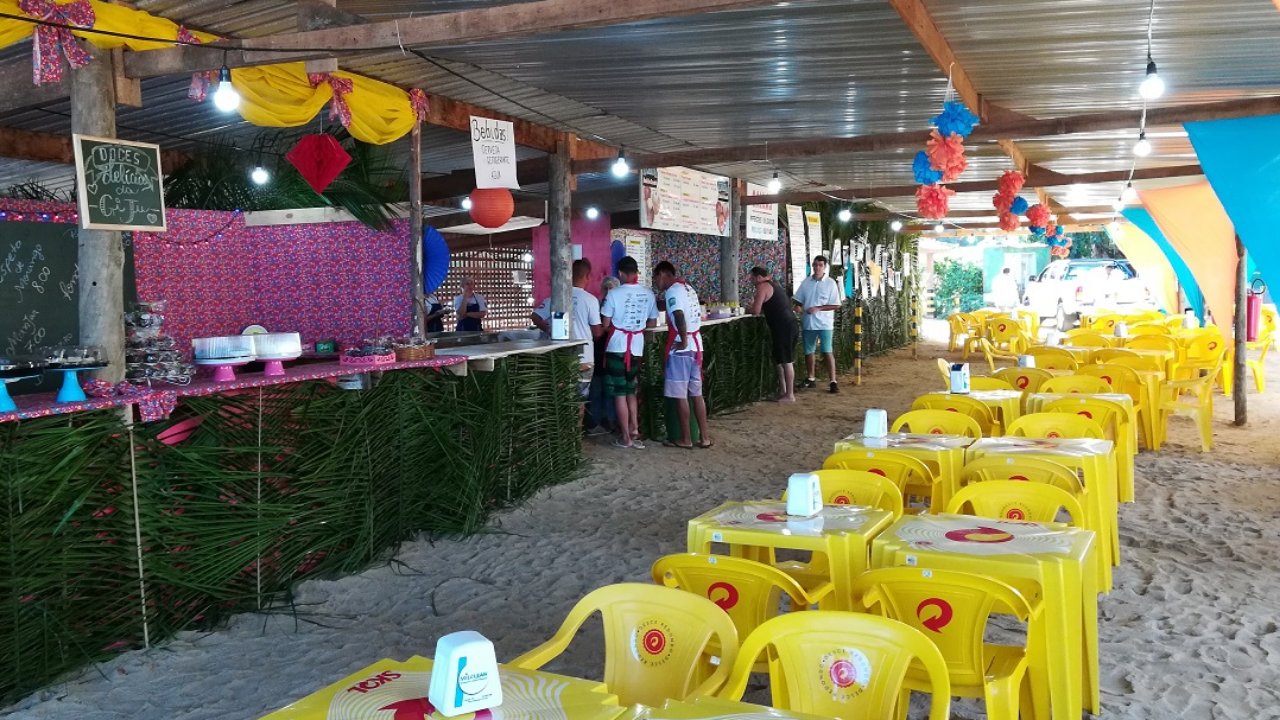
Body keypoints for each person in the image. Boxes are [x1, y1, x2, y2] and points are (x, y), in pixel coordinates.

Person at [531, 260, 604, 419]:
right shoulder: (590, 300)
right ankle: (576, 432)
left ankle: (562, 430)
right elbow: (597, 332)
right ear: (587, 276)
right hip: (584, 357)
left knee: (560, 397)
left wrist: (549, 330)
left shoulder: (556, 298)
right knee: (579, 400)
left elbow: (535, 316)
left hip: (560, 357)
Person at [600, 256, 658, 449]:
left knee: (619, 393)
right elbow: (652, 323)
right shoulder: (648, 293)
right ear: (636, 272)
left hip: (616, 346)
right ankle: (634, 427)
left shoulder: (613, 294)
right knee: (631, 390)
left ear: (620, 273)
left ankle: (626, 437)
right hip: (636, 347)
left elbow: (605, 324)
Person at [653, 261, 712, 449]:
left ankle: (686, 439)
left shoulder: (672, 292)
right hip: (696, 347)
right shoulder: (688, 288)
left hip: (683, 349)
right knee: (697, 394)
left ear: (663, 274)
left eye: (655, 278)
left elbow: (678, 315)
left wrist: (683, 340)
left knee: (680, 395)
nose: (656, 283)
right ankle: (704, 437)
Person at [793, 255, 842, 393]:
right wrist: (798, 306)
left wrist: (819, 308)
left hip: (825, 323)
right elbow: (798, 300)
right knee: (809, 351)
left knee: (827, 350)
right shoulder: (806, 282)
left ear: (825, 267)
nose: (817, 268)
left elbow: (836, 305)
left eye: (820, 265)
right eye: (815, 265)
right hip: (809, 322)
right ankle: (811, 378)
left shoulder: (830, 283)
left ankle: (833, 381)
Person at [749, 266, 797, 403]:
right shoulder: (775, 285)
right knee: (780, 360)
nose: (751, 281)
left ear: (759, 277)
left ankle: (790, 395)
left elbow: (756, 310)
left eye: (752, 278)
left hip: (784, 327)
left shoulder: (762, 287)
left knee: (786, 361)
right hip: (786, 325)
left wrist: (747, 308)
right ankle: (783, 391)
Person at [586, 276, 622, 434]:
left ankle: (611, 421)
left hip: (614, 353)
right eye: (605, 288)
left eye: (611, 289)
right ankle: (595, 422)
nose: (608, 292)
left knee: (611, 390)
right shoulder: (596, 306)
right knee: (596, 390)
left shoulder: (620, 308)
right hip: (597, 353)